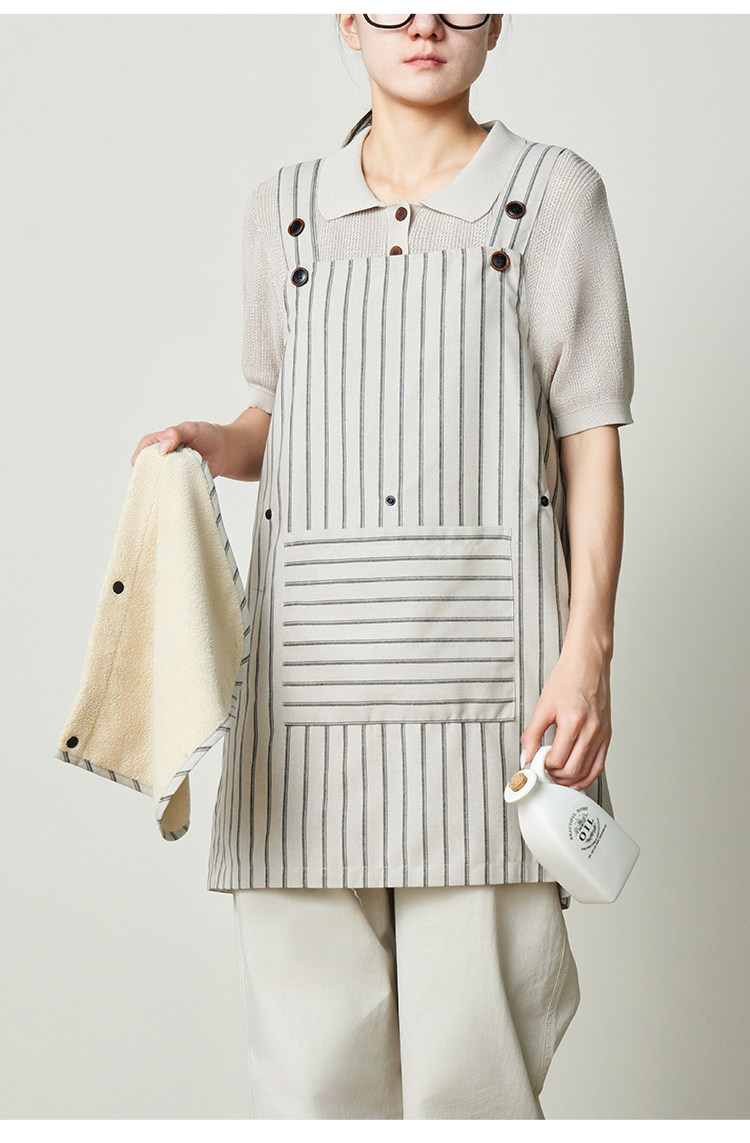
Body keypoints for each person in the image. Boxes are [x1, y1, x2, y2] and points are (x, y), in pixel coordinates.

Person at [131, 13, 634, 1121]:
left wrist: (586, 652)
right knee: (314, 1088)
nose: (426, 22)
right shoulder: (283, 210)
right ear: (348, 21)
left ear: (496, 24)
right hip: (303, 699)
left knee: (474, 1084)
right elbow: (278, 415)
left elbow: (589, 439)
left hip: (494, 699)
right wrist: (215, 444)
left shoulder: (554, 197)